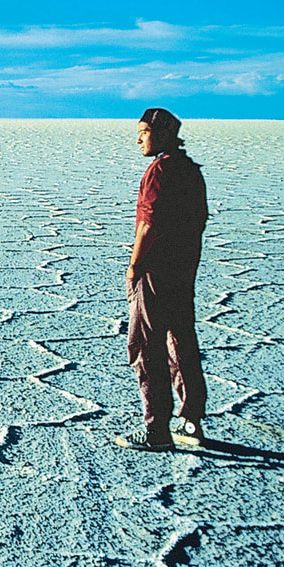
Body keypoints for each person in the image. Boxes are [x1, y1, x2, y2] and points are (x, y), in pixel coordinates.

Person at [116, 108, 208, 452]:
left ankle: (156, 429)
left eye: (143, 132)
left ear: (163, 133)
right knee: (180, 341)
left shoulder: (159, 171)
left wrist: (134, 266)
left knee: (146, 346)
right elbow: (199, 221)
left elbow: (148, 224)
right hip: (183, 271)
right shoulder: (190, 170)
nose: (138, 139)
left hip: (155, 272)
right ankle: (191, 421)